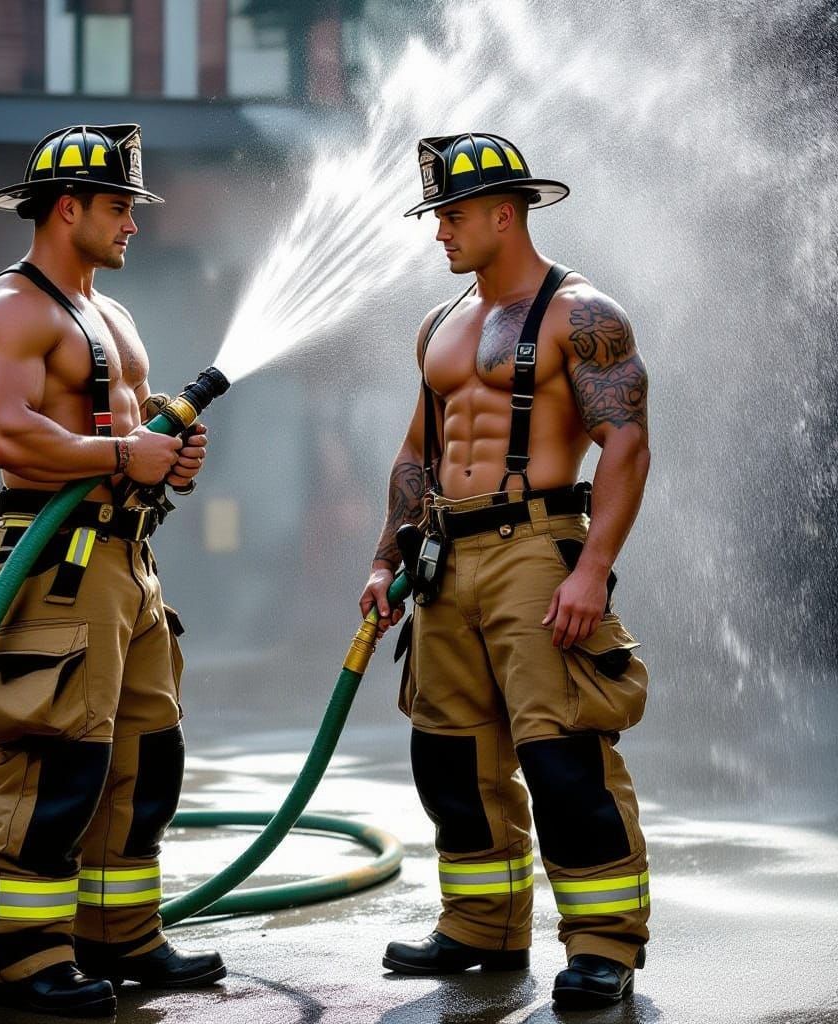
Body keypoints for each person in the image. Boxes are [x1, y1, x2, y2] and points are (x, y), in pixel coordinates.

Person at [360, 133, 651, 1009]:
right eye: (435, 215)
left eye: (451, 214)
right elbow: (418, 451)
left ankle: (603, 944)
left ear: (505, 212)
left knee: (561, 755)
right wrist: (386, 558)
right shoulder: (438, 326)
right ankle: (481, 927)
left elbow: (626, 444)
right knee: (449, 758)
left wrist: (592, 569)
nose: (439, 231)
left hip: (538, 549)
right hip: (446, 559)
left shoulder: (582, 313)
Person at [0, 123, 223, 1018]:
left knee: (146, 755)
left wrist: (173, 450)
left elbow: (134, 428)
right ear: (66, 207)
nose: (134, 225)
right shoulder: (7, 312)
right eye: (118, 207)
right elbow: (3, 433)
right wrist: (123, 458)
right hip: (56, 565)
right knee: (55, 757)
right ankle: (25, 958)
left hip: (128, 561)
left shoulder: (113, 313)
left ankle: (119, 932)